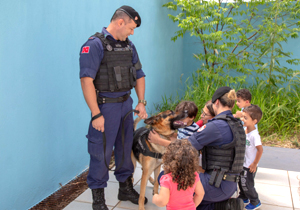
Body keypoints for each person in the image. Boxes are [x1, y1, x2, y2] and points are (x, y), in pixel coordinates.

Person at [79, 5, 148, 210]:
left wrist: (141, 101)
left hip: (126, 105)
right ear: (120, 22)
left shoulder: (129, 46)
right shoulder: (94, 45)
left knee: (126, 148)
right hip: (105, 107)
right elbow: (86, 80)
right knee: (101, 152)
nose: (132, 32)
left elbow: (140, 75)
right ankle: (98, 200)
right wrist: (96, 114)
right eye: (131, 27)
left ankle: (125, 188)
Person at [149, 86, 246, 210]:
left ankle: (223, 206)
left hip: (215, 184)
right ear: (232, 105)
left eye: (204, 112)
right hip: (230, 184)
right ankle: (221, 205)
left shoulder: (216, 126)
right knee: (194, 201)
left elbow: (184, 147)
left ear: (216, 102)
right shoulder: (237, 125)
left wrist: (159, 141)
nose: (202, 115)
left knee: (165, 177)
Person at [152, 140, 205, 210]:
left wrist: (155, 198)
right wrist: (192, 206)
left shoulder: (167, 179)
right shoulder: (194, 175)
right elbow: (200, 194)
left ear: (168, 159)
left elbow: (162, 201)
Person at [238, 105, 263, 210]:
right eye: (242, 117)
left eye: (245, 118)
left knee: (247, 184)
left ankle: (255, 201)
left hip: (249, 166)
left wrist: (254, 164)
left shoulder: (254, 135)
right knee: (241, 181)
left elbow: (260, 150)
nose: (242, 119)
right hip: (243, 163)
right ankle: (244, 196)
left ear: (254, 121)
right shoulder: (246, 130)